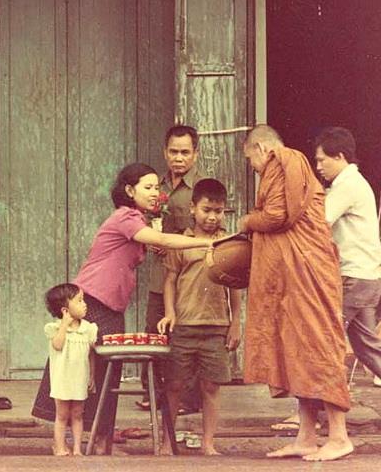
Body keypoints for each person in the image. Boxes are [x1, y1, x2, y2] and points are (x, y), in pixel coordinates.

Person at [32, 162, 213, 454]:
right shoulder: (125, 217)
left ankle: (97, 438)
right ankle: (80, 439)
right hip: (92, 300)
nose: (156, 193)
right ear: (130, 190)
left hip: (107, 302)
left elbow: (154, 244)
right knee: (85, 366)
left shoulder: (136, 219)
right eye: (148, 187)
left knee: (102, 372)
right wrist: (206, 244)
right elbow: (164, 239)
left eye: (157, 187)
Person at [239, 125, 352, 462]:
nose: (254, 168)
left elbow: (277, 215)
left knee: (318, 345)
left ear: (261, 149)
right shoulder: (286, 165)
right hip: (294, 276)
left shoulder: (284, 159)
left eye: (251, 161)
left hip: (309, 273)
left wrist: (247, 221)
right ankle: (306, 436)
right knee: (296, 352)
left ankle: (340, 435)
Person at [157, 179, 241, 455]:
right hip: (185, 324)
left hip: (217, 326)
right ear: (193, 208)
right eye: (206, 209)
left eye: (218, 210)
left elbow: (236, 285)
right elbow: (170, 280)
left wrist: (236, 323)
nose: (212, 216)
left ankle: (208, 443)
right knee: (175, 386)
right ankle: (168, 442)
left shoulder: (228, 243)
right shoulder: (182, 241)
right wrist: (170, 313)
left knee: (211, 386)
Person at [139, 125, 206, 413]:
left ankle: (188, 399)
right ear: (165, 152)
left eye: (185, 152)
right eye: (173, 152)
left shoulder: (202, 186)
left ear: (195, 154)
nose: (179, 158)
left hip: (192, 275)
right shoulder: (156, 186)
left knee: (188, 334)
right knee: (155, 331)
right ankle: (152, 393)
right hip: (160, 273)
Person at [315, 127, 381, 378]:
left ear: (339, 156)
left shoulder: (348, 185)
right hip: (366, 278)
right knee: (367, 349)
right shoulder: (351, 183)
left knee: (323, 339)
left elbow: (319, 222)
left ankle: (311, 413)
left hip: (353, 278)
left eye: (322, 160)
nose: (318, 166)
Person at [43, 283, 97, 456]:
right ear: (65, 309)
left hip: (79, 378)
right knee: (62, 415)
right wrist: (65, 325)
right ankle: (59, 447)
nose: (84, 304)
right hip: (62, 380)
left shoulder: (88, 329)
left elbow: (91, 355)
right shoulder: (55, 328)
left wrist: (92, 376)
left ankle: (76, 448)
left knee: (77, 414)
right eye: (79, 301)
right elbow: (57, 345)